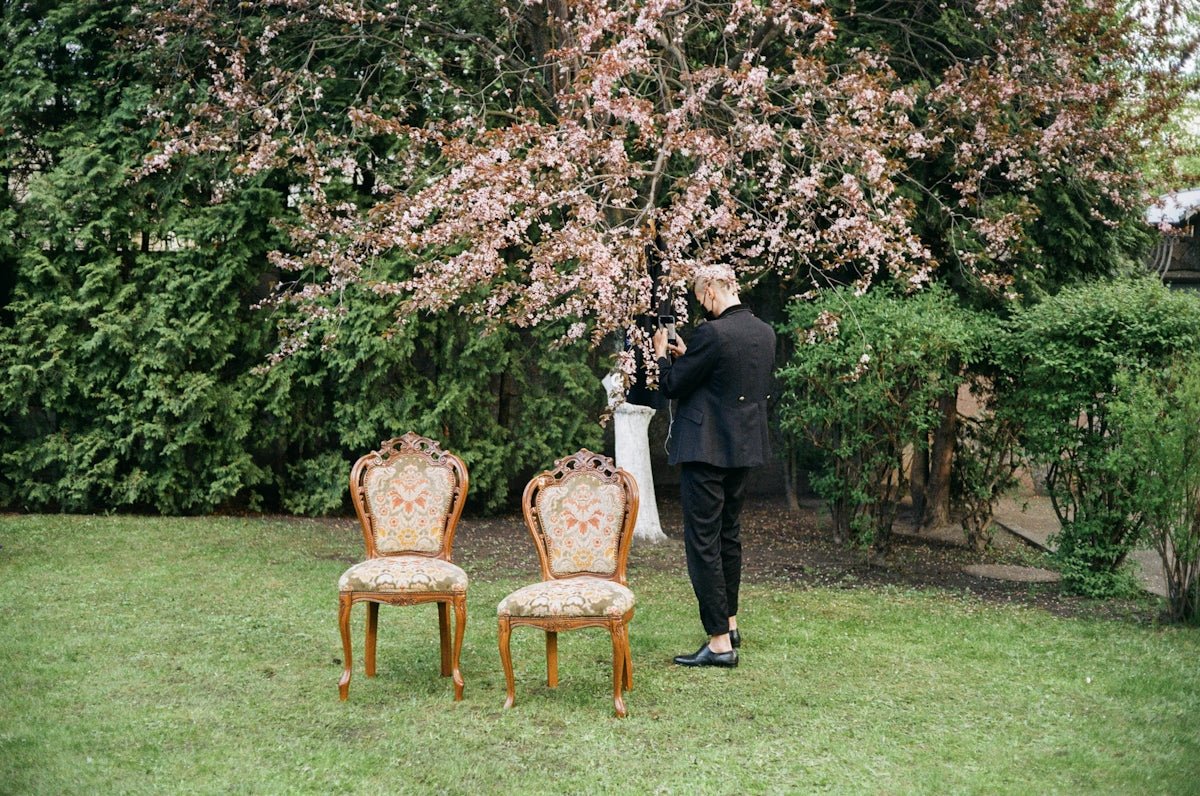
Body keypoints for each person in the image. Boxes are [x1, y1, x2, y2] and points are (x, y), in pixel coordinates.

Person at [652, 265, 776, 668]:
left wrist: (661, 358)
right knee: (728, 536)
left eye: (698, 296)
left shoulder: (712, 333)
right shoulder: (764, 332)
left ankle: (720, 643)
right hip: (743, 449)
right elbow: (728, 381)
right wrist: (691, 358)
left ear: (709, 290)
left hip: (706, 450)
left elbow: (673, 386)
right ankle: (731, 622)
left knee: (703, 541)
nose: (698, 305)